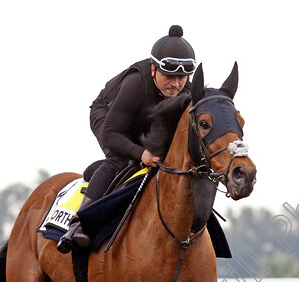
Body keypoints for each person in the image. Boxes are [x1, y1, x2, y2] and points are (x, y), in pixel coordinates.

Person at [57, 25, 197, 253]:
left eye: (182, 78)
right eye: (169, 77)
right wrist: (141, 153)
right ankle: (78, 224)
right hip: (109, 117)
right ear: (154, 70)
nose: (176, 84)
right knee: (121, 160)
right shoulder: (135, 84)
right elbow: (112, 135)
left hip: (144, 120)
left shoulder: (186, 90)